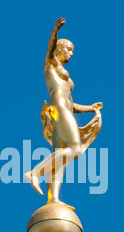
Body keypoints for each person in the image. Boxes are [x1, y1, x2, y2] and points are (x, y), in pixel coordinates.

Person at [24, 18, 102, 208]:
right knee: (75, 149)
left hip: (64, 107)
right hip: (58, 107)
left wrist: (91, 108)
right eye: (69, 49)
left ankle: (54, 200)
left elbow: (73, 105)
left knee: (60, 157)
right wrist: (56, 29)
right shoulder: (51, 63)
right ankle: (35, 173)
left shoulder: (64, 75)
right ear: (60, 49)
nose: (71, 54)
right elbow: (50, 47)